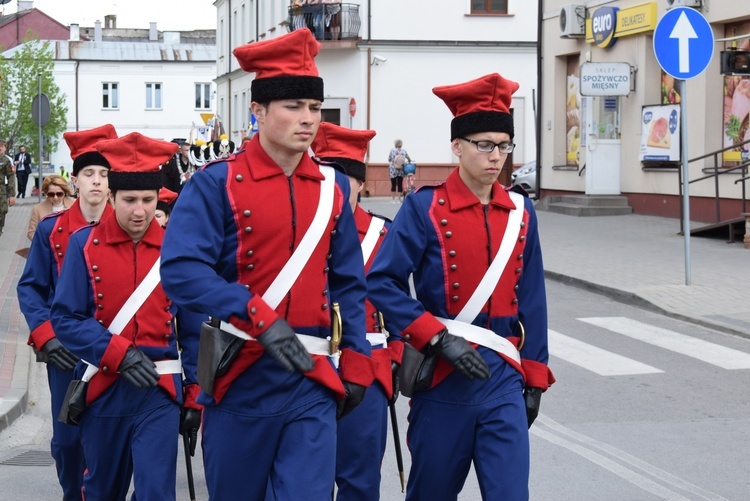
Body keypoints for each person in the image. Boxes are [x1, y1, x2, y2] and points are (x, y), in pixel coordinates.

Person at [160, 29, 375, 500]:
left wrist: (357, 360)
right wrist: (255, 312)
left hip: (310, 378)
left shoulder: (330, 190)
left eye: (315, 108)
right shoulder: (217, 184)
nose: (308, 120)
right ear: (257, 111)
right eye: (293, 107)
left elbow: (349, 284)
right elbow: (180, 271)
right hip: (242, 377)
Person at [368, 73, 555, 500]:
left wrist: (535, 377)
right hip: (442, 381)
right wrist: (434, 336)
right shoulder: (424, 207)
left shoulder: (521, 212)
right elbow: (381, 281)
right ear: (457, 146)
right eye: (484, 144)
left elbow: (532, 299)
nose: (496, 157)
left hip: (504, 379)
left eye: (503, 145)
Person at [49, 131, 201, 500]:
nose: (140, 210)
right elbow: (66, 318)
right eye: (130, 199)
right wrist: (119, 352)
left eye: (148, 200)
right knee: (102, 491)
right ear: (112, 197)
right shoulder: (83, 245)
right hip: (104, 389)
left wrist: (194, 394)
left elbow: (194, 331)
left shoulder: (176, 251)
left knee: (156, 493)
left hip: (159, 392)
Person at [16, 124, 117, 500]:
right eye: (89, 174)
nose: (96, 182)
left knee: (108, 436)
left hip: (111, 348)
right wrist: (46, 336)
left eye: (104, 174)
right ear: (75, 180)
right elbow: (31, 288)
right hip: (66, 353)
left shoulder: (125, 227)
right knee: (67, 442)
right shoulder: (51, 230)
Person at [311, 122, 401, 500]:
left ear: (361, 184)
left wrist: (393, 361)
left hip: (368, 370)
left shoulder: (384, 234)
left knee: (360, 482)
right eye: (325, 176)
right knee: (306, 481)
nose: (334, 186)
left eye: (344, 178)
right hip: (310, 366)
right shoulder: (302, 230)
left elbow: (399, 306)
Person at [26, 174, 76, 240]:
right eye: (51, 194)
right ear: (46, 193)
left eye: (59, 194)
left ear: (64, 192)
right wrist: (44, 242)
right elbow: (31, 233)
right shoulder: (38, 209)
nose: (55, 197)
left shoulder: (75, 204)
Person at [388, 139, 411, 203]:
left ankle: (393, 200)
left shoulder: (392, 150)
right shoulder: (404, 151)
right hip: (401, 170)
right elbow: (409, 158)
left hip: (393, 170)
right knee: (400, 184)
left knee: (393, 184)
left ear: (395, 144)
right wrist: (408, 161)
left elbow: (389, 159)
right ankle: (399, 199)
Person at [0, 140, 16, 236]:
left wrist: (11, 195)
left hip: (2, 189)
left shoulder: (5, 160)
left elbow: (11, 176)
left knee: (3, 210)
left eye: (1, 146)